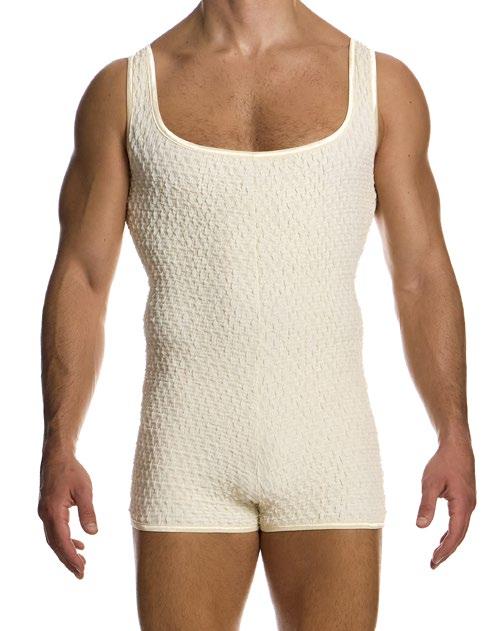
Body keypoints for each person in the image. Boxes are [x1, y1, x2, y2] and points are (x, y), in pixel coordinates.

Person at [38, 1, 477, 629]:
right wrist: (59, 444)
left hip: (330, 449)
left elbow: (421, 272)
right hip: (185, 452)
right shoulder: (124, 93)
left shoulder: (381, 85)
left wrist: (453, 433)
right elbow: (82, 277)